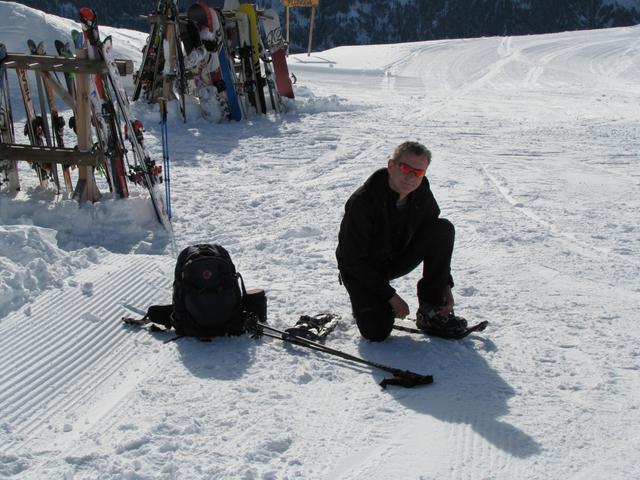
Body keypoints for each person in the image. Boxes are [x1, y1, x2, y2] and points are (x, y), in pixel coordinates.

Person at [336, 141, 466, 341]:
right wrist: (391, 297)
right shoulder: (363, 202)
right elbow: (353, 260)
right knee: (377, 331)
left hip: (394, 258)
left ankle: (431, 310)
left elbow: (435, 236)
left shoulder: (421, 192)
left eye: (418, 172)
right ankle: (369, 305)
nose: (411, 177)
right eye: (405, 168)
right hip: (361, 269)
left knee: (442, 229)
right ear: (391, 165)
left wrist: (445, 285)